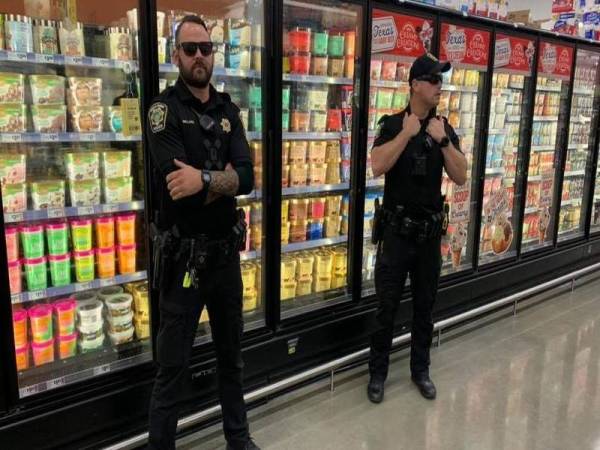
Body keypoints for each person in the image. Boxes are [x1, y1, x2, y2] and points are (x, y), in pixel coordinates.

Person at [145, 15, 259, 450]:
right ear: (176, 55)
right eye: (189, 49)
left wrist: (206, 180)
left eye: (205, 49)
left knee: (232, 359)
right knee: (171, 369)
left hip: (225, 258)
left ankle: (239, 440)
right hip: (182, 263)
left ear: (214, 54)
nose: (198, 56)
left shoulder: (228, 110)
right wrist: (221, 180)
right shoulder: (163, 110)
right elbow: (179, 190)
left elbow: (247, 178)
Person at [367, 53, 468, 403]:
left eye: (441, 80)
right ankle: (377, 374)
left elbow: (461, 174)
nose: (440, 86)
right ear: (415, 84)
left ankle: (420, 371)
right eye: (434, 80)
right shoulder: (393, 124)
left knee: (425, 309)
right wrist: (406, 134)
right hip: (396, 234)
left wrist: (443, 141)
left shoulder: (443, 127)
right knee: (386, 309)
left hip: (428, 237)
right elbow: (377, 166)